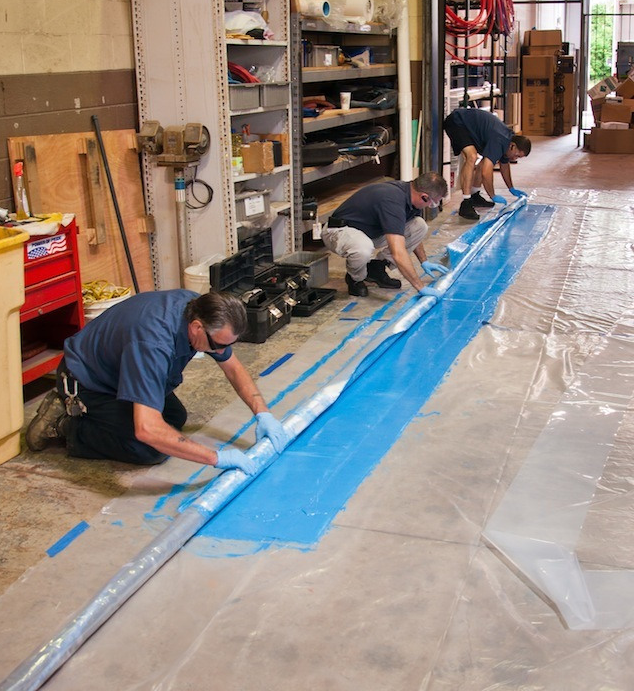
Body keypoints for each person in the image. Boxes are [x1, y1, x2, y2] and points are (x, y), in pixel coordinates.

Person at [25, 290, 288, 475]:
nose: (221, 351)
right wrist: (216, 457)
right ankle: (67, 424)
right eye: (218, 345)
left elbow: (233, 368)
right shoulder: (153, 343)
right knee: (149, 449)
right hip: (88, 382)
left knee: (174, 417)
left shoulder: (199, 309)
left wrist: (263, 414)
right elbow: (147, 429)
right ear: (197, 328)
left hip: (120, 370)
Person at [322, 172, 449, 297]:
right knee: (363, 248)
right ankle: (355, 278)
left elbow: (412, 235)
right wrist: (420, 287)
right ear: (424, 197)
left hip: (369, 231)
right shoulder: (393, 200)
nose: (429, 206)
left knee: (419, 225)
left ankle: (375, 269)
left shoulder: (409, 196)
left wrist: (424, 261)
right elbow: (398, 253)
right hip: (339, 230)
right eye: (432, 203)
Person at [443, 107, 531, 221]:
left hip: (469, 127)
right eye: (517, 155)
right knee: (472, 156)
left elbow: (504, 166)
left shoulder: (507, 142)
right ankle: (466, 202)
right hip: (457, 121)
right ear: (512, 146)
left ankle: (474, 195)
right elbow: (486, 172)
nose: (515, 158)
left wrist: (511, 188)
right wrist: (492, 195)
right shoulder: (499, 140)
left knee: (485, 160)